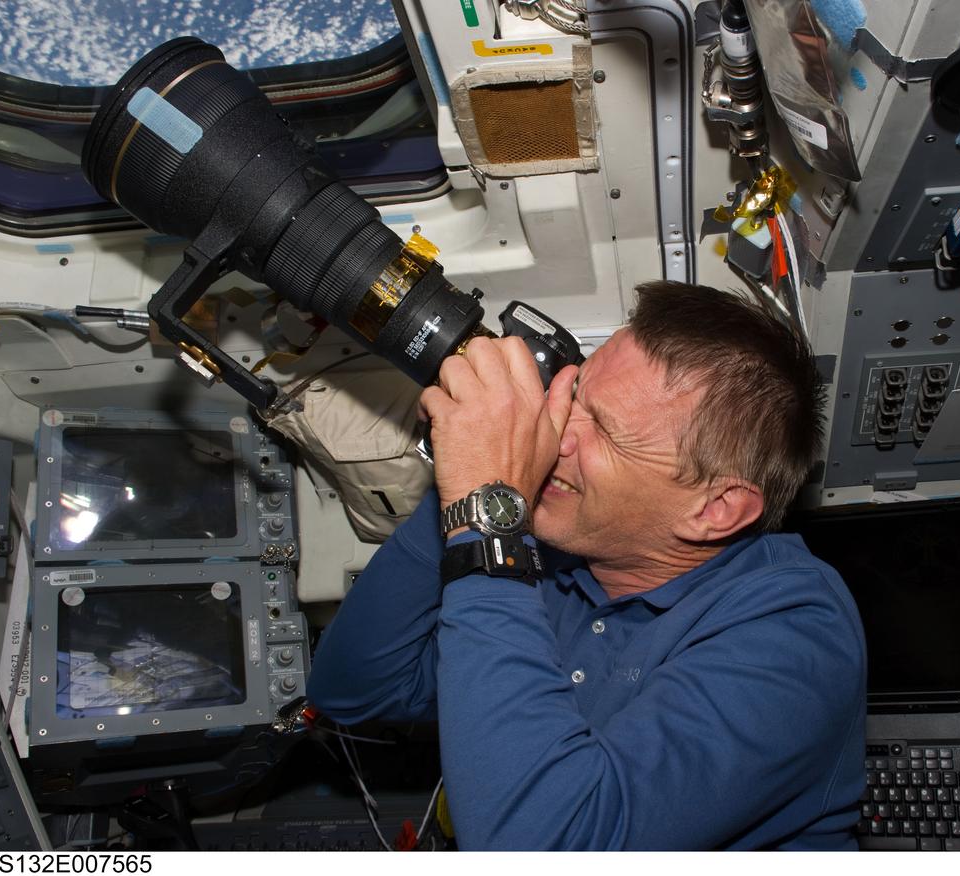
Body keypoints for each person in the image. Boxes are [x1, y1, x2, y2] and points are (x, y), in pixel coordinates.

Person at [308, 280, 866, 850]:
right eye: (573, 397)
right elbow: (350, 689)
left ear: (714, 509)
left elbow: (549, 846)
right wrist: (469, 481)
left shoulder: (796, 634)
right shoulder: (562, 566)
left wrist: (486, 508)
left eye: (602, 428)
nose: (553, 434)